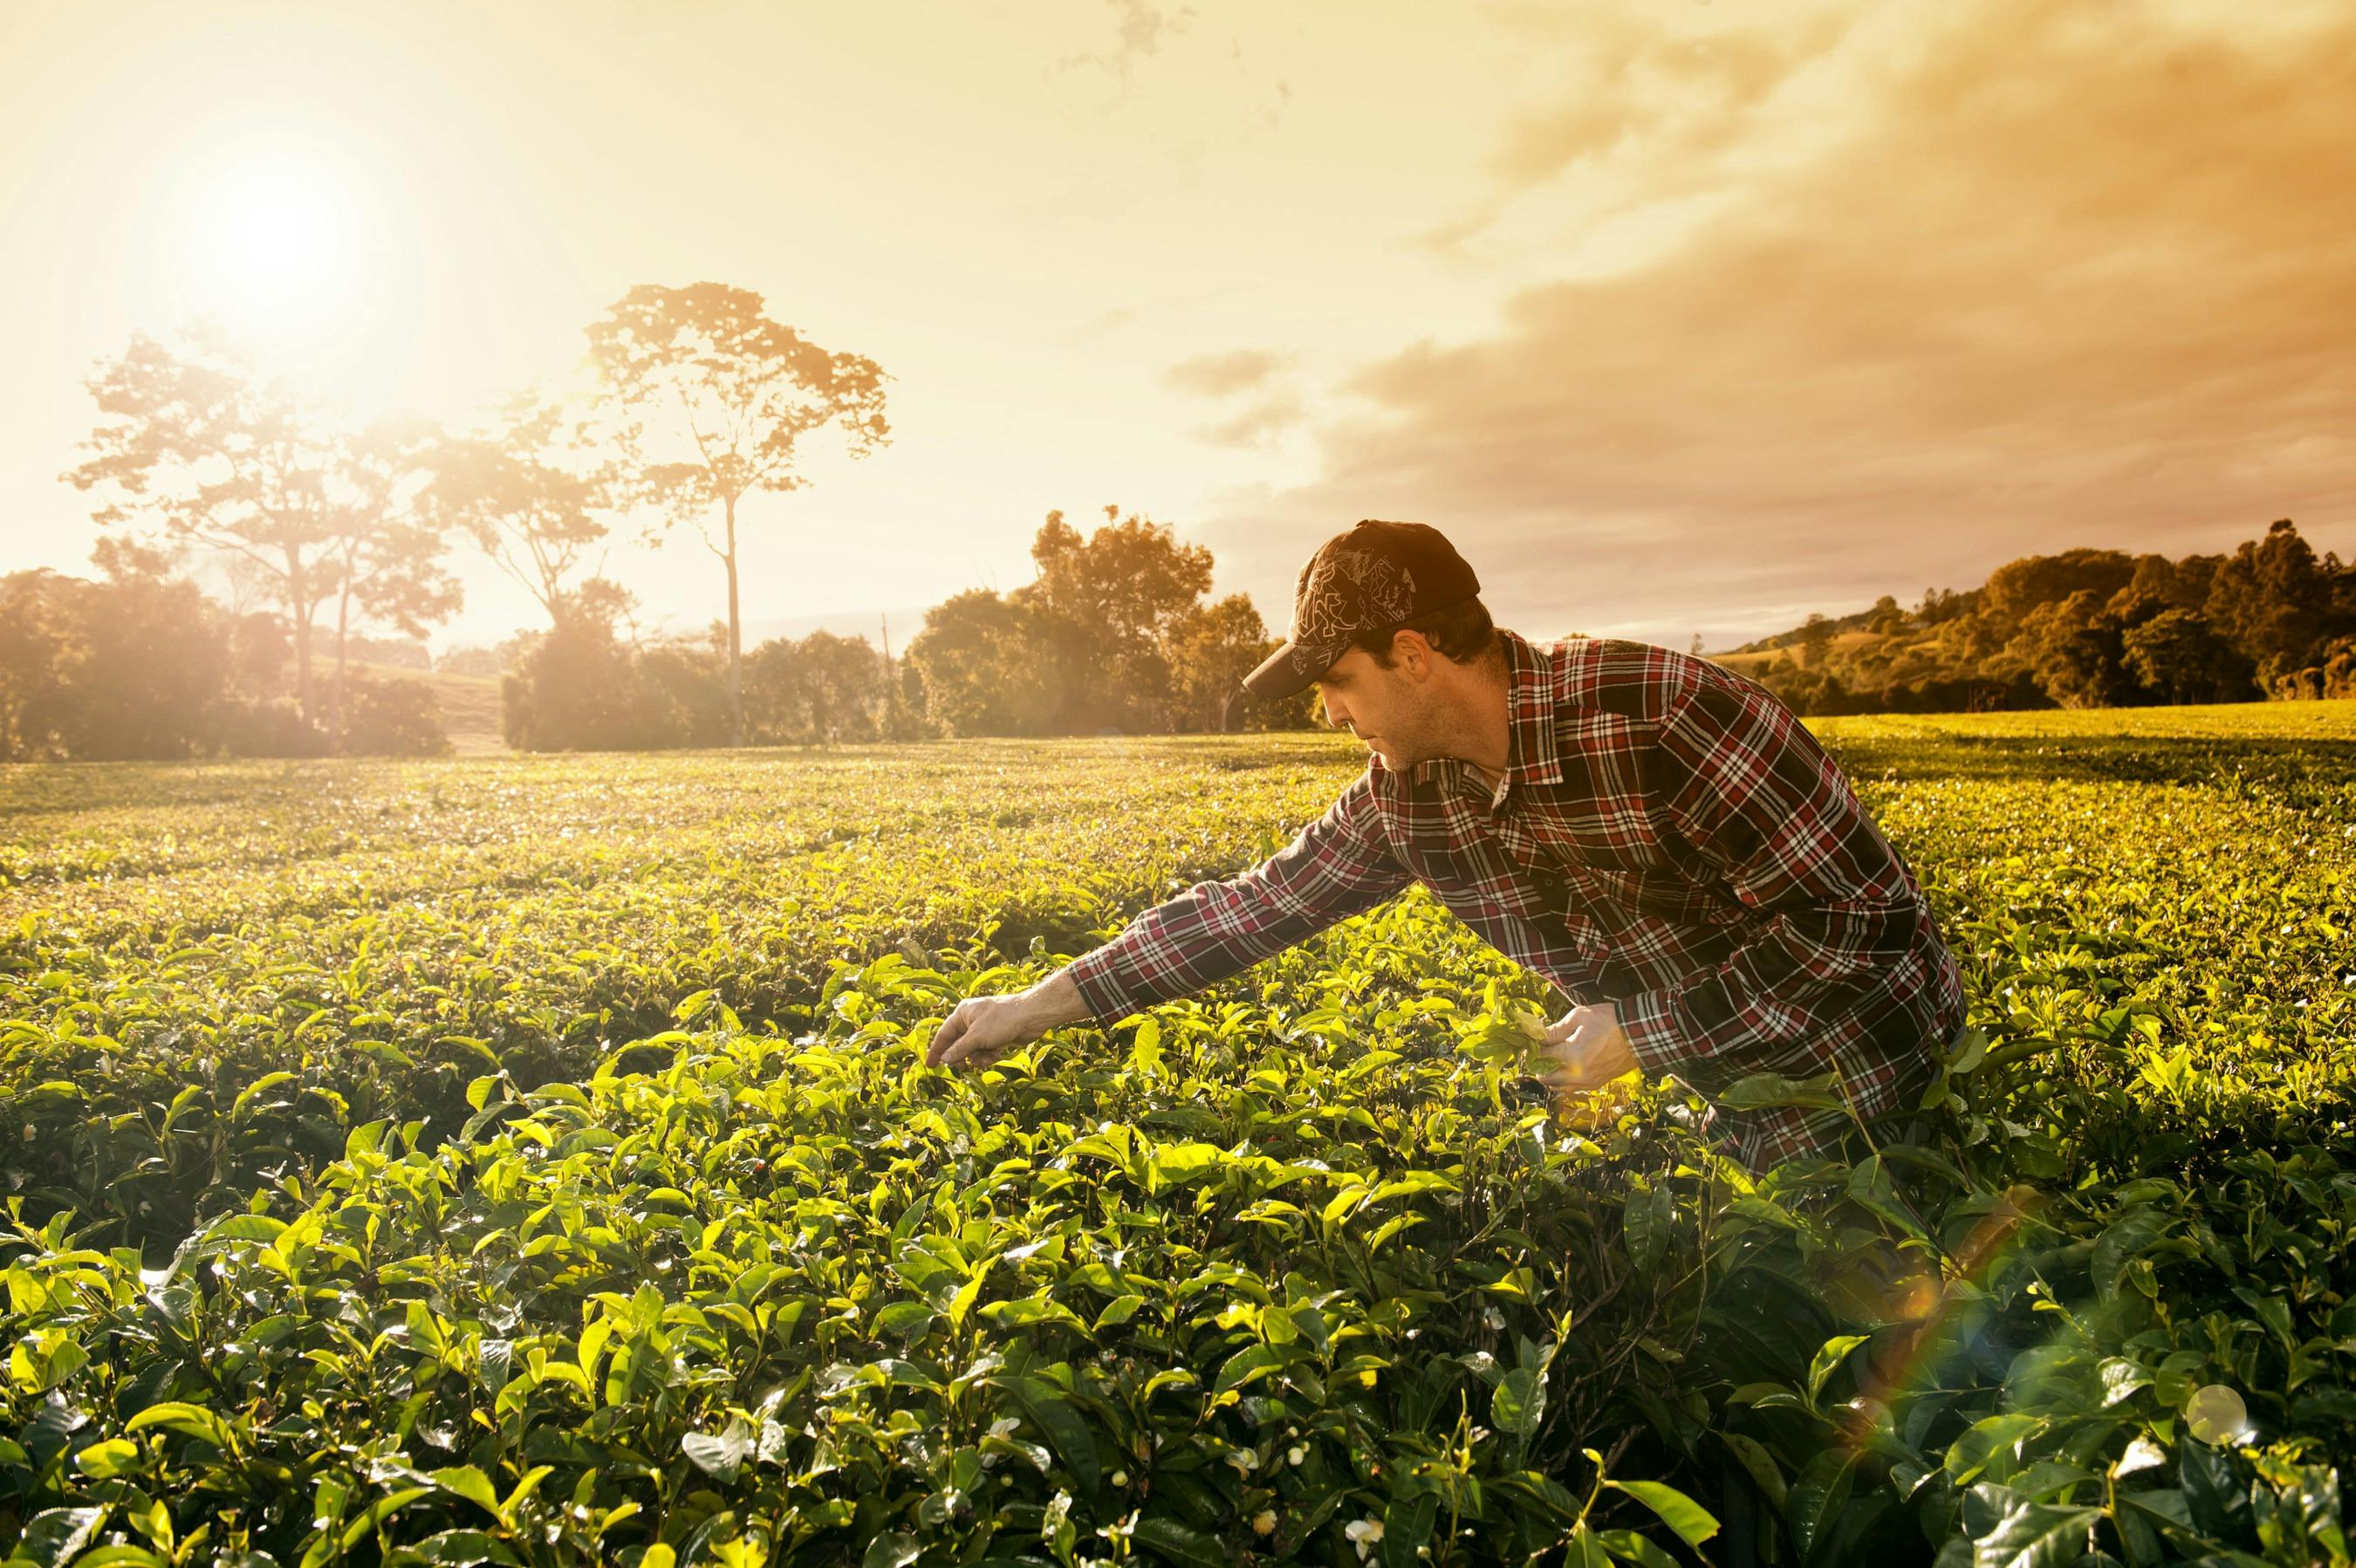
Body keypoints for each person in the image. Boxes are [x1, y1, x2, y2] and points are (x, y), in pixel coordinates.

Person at [925, 518, 1966, 1167]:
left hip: (1862, 1072)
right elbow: (1254, 908)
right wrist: (1037, 1004)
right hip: (1716, 1089)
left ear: (1414, 655)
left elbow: (1862, 925)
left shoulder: (1668, 715)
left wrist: (1644, 1030)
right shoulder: (1407, 797)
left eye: (1339, 683)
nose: (1329, 715)